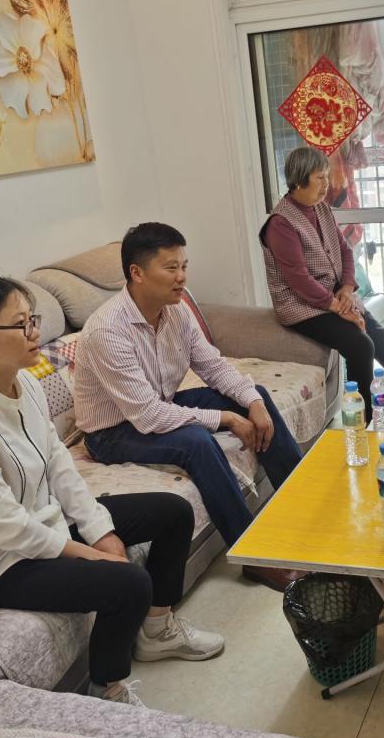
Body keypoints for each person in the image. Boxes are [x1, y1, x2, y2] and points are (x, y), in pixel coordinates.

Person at [0, 275, 224, 709]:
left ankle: (157, 632)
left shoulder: (25, 385)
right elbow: (8, 528)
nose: (35, 333)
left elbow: (59, 464)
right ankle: (107, 689)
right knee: (128, 583)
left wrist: (100, 530)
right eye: (20, 324)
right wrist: (92, 555)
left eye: (33, 320)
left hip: (46, 524)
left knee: (172, 512)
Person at [72, 223, 304, 593]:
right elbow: (148, 417)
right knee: (196, 441)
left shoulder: (176, 312)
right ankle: (252, 555)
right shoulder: (107, 331)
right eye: (170, 268)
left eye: (184, 266)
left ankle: (305, 509)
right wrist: (226, 419)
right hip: (112, 433)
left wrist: (253, 402)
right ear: (137, 273)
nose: (182, 277)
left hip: (157, 406)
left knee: (253, 394)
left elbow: (213, 367)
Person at [260, 146, 384, 424]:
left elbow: (345, 251)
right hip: (302, 306)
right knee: (360, 345)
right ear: (299, 180)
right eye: (320, 177)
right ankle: (365, 422)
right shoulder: (280, 224)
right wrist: (340, 307)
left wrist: (347, 289)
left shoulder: (322, 209)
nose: (327, 184)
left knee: (380, 337)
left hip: (334, 296)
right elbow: (299, 280)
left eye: (326, 176)